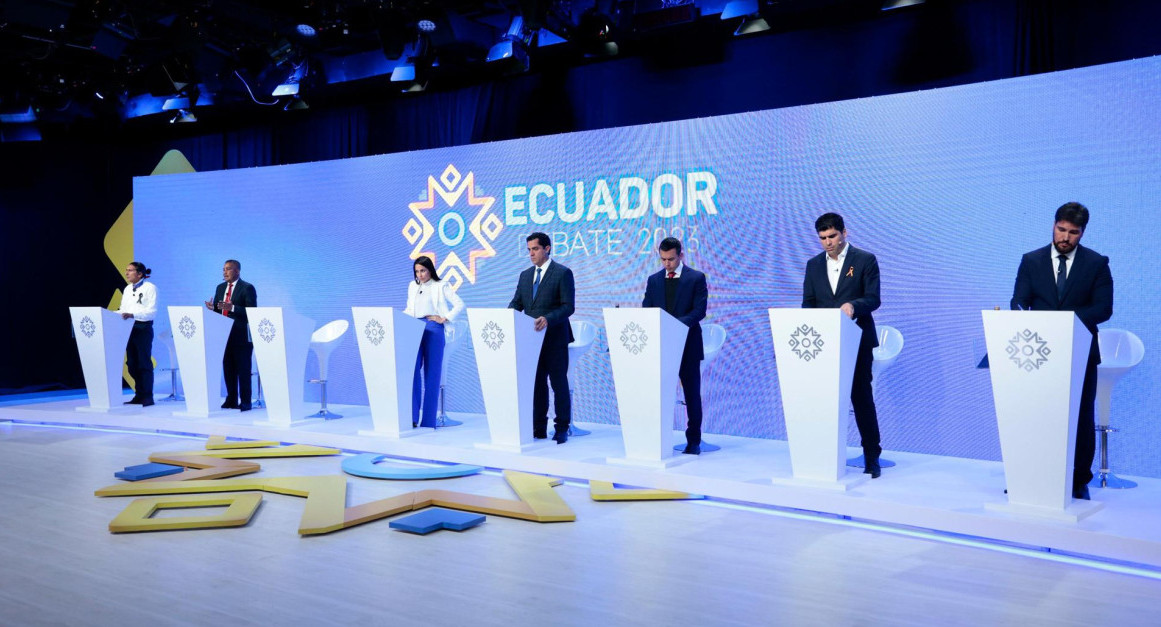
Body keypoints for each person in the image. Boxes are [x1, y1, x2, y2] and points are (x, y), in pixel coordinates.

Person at [1011, 202, 1113, 501]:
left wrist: (1064, 322)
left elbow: (1103, 309)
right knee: (1036, 414)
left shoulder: (1096, 263)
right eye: (1061, 229)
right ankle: (1031, 475)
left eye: (1073, 232)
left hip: (1079, 351)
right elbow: (1019, 299)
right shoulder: (1031, 260)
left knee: (1080, 417)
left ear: (1082, 233)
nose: (1065, 237)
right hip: (1037, 354)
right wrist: (1023, 314)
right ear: (1053, 225)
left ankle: (1079, 480)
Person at [802, 213, 884, 477]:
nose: (828, 242)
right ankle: (822, 456)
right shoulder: (813, 265)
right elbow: (808, 303)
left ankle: (872, 456)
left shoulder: (864, 260)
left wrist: (853, 306)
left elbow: (873, 299)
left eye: (832, 236)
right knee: (823, 399)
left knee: (861, 398)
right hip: (823, 343)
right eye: (823, 238)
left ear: (844, 233)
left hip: (857, 339)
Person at [643, 237, 709, 455]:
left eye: (671, 259)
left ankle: (693, 441)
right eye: (663, 260)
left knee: (691, 394)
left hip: (688, 345)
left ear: (680, 255)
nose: (667, 264)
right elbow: (647, 310)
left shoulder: (696, 278)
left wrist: (674, 326)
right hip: (661, 347)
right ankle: (657, 439)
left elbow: (699, 311)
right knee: (657, 394)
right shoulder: (654, 280)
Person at [508, 232, 576, 444]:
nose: (531, 254)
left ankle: (562, 428)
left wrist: (548, 318)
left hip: (555, 338)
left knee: (558, 384)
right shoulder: (525, 275)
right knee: (537, 385)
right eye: (529, 250)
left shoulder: (562, 273)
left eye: (535, 249)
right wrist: (505, 317)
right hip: (531, 340)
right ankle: (538, 427)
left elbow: (568, 307)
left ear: (547, 248)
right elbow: (517, 303)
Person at [403, 255, 465, 428]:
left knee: (432, 374)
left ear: (430, 270)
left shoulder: (440, 285)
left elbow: (460, 304)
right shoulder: (412, 286)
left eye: (423, 270)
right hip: (414, 328)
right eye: (417, 271)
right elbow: (409, 308)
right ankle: (412, 417)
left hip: (434, 329)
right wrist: (400, 319)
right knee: (413, 372)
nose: (420, 275)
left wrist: (444, 318)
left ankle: (429, 421)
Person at [204, 259, 257, 411]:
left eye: (228, 269)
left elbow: (252, 312)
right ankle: (231, 399)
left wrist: (232, 307)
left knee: (243, 369)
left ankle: (246, 401)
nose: (224, 272)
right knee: (228, 368)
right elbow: (222, 310)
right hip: (223, 335)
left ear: (237, 271)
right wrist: (213, 308)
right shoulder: (220, 288)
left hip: (241, 336)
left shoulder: (247, 288)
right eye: (223, 269)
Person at [118, 261, 157, 406]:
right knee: (132, 364)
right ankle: (139, 394)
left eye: (130, 270)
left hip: (142, 328)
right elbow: (123, 308)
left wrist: (132, 314)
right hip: (128, 329)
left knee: (143, 362)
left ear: (140, 273)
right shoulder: (128, 289)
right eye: (126, 270)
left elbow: (151, 312)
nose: (127, 273)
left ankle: (147, 396)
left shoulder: (150, 288)